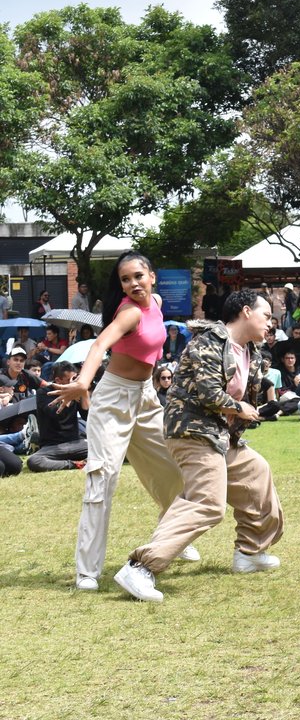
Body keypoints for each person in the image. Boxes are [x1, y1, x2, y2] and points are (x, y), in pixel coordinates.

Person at [113, 289, 285, 603]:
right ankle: (140, 567)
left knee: (256, 471)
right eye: (266, 315)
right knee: (207, 502)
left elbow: (245, 400)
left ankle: (249, 552)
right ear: (245, 311)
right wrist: (239, 407)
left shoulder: (251, 352)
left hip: (221, 435)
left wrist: (259, 408)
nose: (270, 323)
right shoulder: (209, 342)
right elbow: (207, 393)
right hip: (191, 432)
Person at [49, 251, 194, 592]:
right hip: (113, 400)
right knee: (103, 478)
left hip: (145, 396)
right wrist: (84, 381)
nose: (132, 284)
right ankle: (87, 571)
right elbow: (100, 344)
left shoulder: (156, 303)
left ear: (152, 276)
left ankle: (173, 537)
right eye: (125, 280)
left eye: (138, 276)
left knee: (174, 469)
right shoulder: (128, 312)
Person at [26, 362, 89, 471]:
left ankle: (84, 461)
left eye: (75, 378)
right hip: (52, 447)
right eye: (70, 380)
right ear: (58, 380)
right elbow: (57, 415)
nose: (73, 383)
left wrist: (84, 391)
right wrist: (68, 397)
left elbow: (87, 416)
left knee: (108, 446)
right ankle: (75, 464)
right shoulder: (44, 393)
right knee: (34, 461)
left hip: (76, 444)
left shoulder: (76, 391)